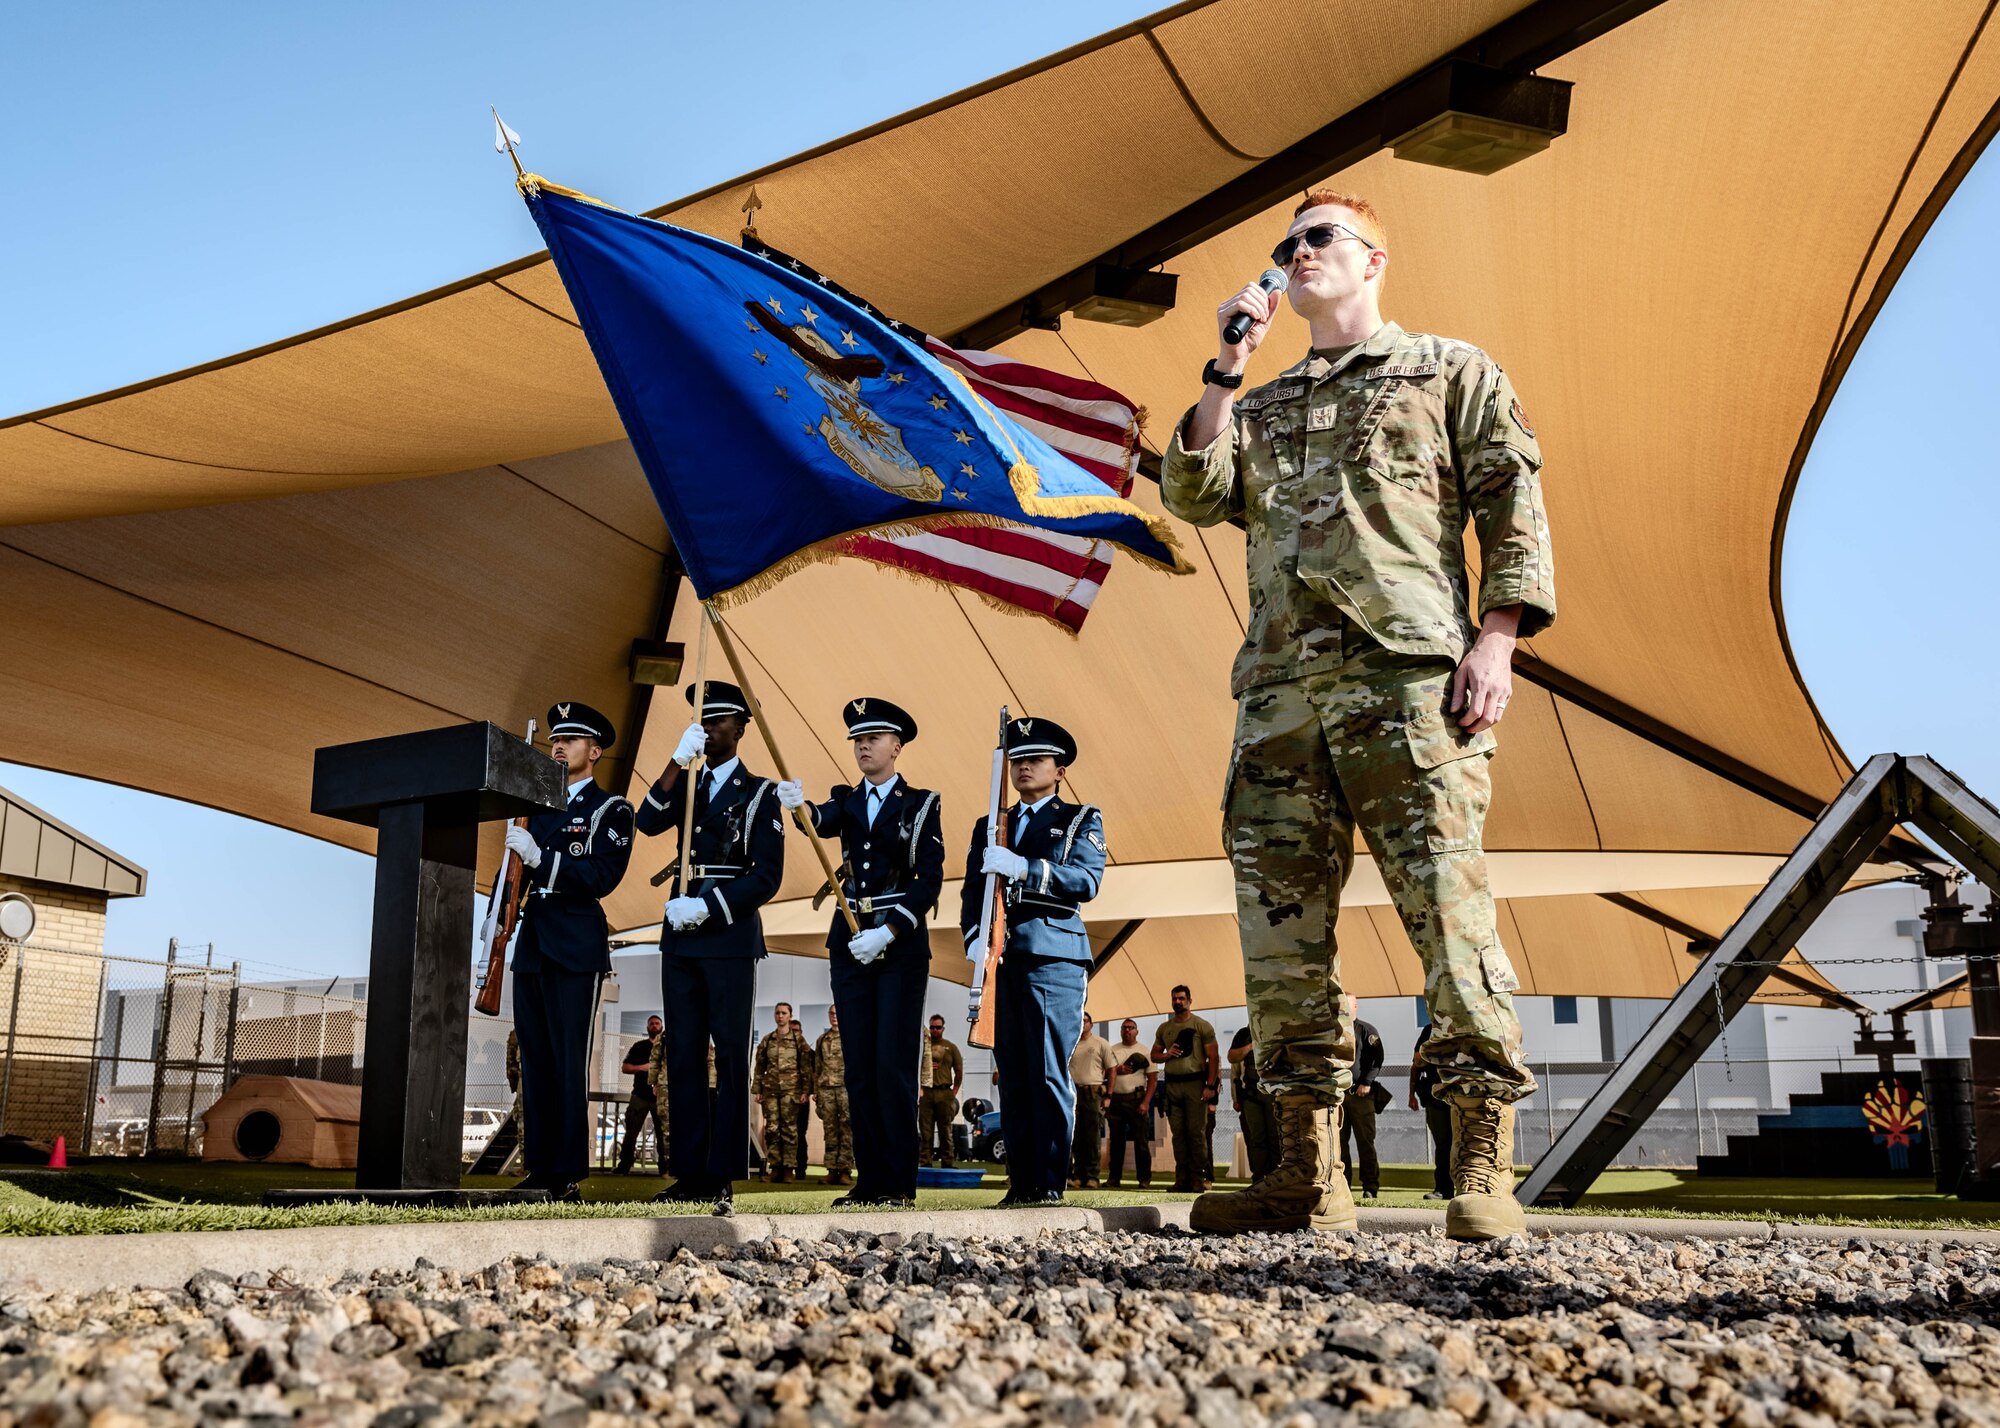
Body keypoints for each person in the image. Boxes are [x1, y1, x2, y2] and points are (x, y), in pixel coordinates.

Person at [1163, 188, 1553, 1242]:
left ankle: (1480, 1162)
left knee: (1447, 912)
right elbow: (1193, 493)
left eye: (1319, 237)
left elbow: (1510, 500)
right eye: (1285, 243)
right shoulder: (1261, 402)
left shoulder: (1447, 370)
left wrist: (1497, 639)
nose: (1297, 253)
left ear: (1373, 259)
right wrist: (1225, 367)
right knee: (1279, 934)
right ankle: (1303, 1168)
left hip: (1406, 681)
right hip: (1280, 695)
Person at [777, 698, 945, 1207]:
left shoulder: (921, 804)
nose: (863, 746)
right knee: (860, 1070)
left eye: (873, 738)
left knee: (893, 1066)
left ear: (897, 746)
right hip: (850, 940)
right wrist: (799, 807)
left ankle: (898, 1183)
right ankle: (870, 1181)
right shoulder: (847, 800)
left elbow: (929, 879)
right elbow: (819, 822)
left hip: (898, 945)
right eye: (857, 740)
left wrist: (889, 931)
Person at [635, 681, 785, 1205]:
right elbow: (646, 821)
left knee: (730, 1054)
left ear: (740, 728)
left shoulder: (761, 793)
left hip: (727, 937)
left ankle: (721, 1173)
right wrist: (676, 762)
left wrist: (709, 907)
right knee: (683, 1056)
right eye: (704, 720)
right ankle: (689, 1172)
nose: (710, 728)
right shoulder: (689, 783)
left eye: (720, 719)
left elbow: (767, 876)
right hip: (680, 937)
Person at [957, 718, 1107, 1206]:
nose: (1024, 767)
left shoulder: (1081, 819)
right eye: (1018, 759)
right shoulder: (990, 824)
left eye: (1036, 759)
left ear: (1059, 771)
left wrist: (1026, 868)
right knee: (1014, 1075)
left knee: (1046, 1072)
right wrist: (974, 938)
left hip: (1052, 957)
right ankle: (1021, 1183)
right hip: (1002, 961)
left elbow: (1086, 881)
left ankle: (1047, 1182)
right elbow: (972, 890)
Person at [506, 702, 635, 1201]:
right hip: (533, 942)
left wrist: (541, 857)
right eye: (555, 739)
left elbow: (601, 876)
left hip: (575, 944)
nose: (558, 746)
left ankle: (565, 1173)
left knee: (567, 1061)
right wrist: (498, 920)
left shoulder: (611, 810)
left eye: (571, 739)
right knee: (535, 1060)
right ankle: (539, 1167)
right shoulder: (536, 806)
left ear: (594, 751)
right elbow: (513, 876)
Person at [1150, 986, 1219, 1192]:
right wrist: (1167, 1054)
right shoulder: (1165, 1028)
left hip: (1195, 1084)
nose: (1178, 1002)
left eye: (1181, 998)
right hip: (1172, 1085)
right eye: (1174, 998)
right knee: (1178, 1134)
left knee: (1196, 1133)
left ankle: (1198, 1178)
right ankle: (1181, 1179)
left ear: (1189, 1000)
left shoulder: (1201, 1025)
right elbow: (1154, 1055)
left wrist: (1210, 1086)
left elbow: (1213, 1057)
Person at [753, 1003, 814, 1184]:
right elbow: (759, 1067)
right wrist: (757, 1090)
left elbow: (805, 1067)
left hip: (791, 1091)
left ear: (790, 1016)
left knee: (789, 1130)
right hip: (770, 1091)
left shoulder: (798, 1041)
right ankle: (775, 1168)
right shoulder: (767, 1040)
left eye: (784, 1013)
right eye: (778, 1013)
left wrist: (806, 1090)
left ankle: (788, 1169)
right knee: (772, 1129)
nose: (780, 1016)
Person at [1342, 1000, 1385, 1201]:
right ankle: (1343, 1186)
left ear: (1355, 1006)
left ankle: (1370, 1187)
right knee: (1339, 1145)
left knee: (1365, 1142)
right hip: (1339, 1096)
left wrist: (1367, 1082)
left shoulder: (1366, 1030)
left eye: (1347, 1003)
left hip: (1360, 1095)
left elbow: (1377, 1059)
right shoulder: (1334, 1030)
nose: (1343, 1007)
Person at [1069, 1012, 1117, 1189]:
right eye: (1080, 1020)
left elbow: (1112, 1069)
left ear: (1092, 1024)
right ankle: (1077, 1175)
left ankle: (1092, 1176)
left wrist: (1108, 1095)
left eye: (1086, 1021)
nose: (1083, 1024)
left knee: (1092, 1137)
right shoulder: (1070, 1043)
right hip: (1074, 1092)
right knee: (1076, 1137)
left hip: (1093, 1093)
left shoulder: (1100, 1043)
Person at [1107, 1018, 1156, 1188]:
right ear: (1121, 1031)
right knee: (1116, 1142)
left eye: (1131, 1027)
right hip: (1116, 1100)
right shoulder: (1113, 1050)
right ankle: (1114, 1179)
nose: (1127, 1030)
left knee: (1141, 1142)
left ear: (1137, 1031)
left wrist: (1146, 1102)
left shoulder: (1145, 1051)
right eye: (1124, 1028)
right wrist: (1117, 1069)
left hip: (1136, 1100)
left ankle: (1144, 1179)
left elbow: (1152, 1079)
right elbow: (1103, 1072)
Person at [615, 1015, 665, 1176]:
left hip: (661, 1097)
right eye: (652, 1024)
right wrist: (643, 1067)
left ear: (662, 1027)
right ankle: (624, 1166)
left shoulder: (668, 1047)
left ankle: (665, 1168)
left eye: (657, 1023)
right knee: (631, 1133)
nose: (654, 1026)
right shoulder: (639, 1047)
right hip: (640, 1096)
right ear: (647, 1027)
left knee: (663, 1135)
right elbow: (625, 1068)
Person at [1229, 1025, 1278, 1184]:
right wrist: (1251, 1046)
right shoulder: (1244, 1034)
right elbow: (1232, 1059)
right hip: (1250, 1094)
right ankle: (1259, 1177)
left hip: (1273, 1092)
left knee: (1275, 1136)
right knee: (1256, 1138)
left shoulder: (1276, 1029)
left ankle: (1276, 1175)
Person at [1409, 1021, 1453, 1200]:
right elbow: (1417, 1064)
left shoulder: (1462, 1025)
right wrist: (1411, 1095)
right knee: (1443, 1145)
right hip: (1436, 1097)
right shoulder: (1429, 1030)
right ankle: (1443, 1189)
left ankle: (1470, 1188)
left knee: (1464, 1143)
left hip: (1462, 1094)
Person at [815, 1006, 853, 1186]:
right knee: (830, 1130)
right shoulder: (822, 1039)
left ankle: (845, 1171)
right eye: (831, 1013)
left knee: (847, 1130)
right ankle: (831, 1170)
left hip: (846, 1088)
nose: (834, 1016)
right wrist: (816, 1090)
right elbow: (817, 1067)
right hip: (826, 1089)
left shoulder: (851, 1037)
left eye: (837, 1013)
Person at [920, 1015, 964, 1168]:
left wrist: (954, 1091)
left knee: (945, 1130)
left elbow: (959, 1070)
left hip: (944, 1092)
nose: (935, 1030)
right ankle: (925, 1162)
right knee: (926, 1131)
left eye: (938, 1027)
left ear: (943, 1028)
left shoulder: (950, 1047)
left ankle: (948, 1162)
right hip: (926, 1092)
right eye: (932, 1027)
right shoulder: (923, 1047)